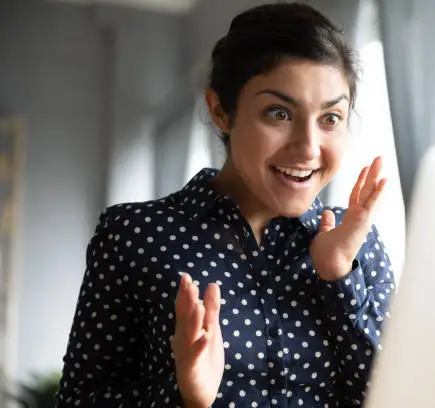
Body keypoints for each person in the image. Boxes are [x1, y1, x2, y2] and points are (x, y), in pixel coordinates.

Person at [56, 3, 396, 407]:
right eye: (279, 113)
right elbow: (80, 401)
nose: (308, 147)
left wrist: (340, 277)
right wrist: (186, 399)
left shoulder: (359, 243)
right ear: (221, 111)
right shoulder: (135, 235)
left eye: (330, 118)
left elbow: (398, 395)